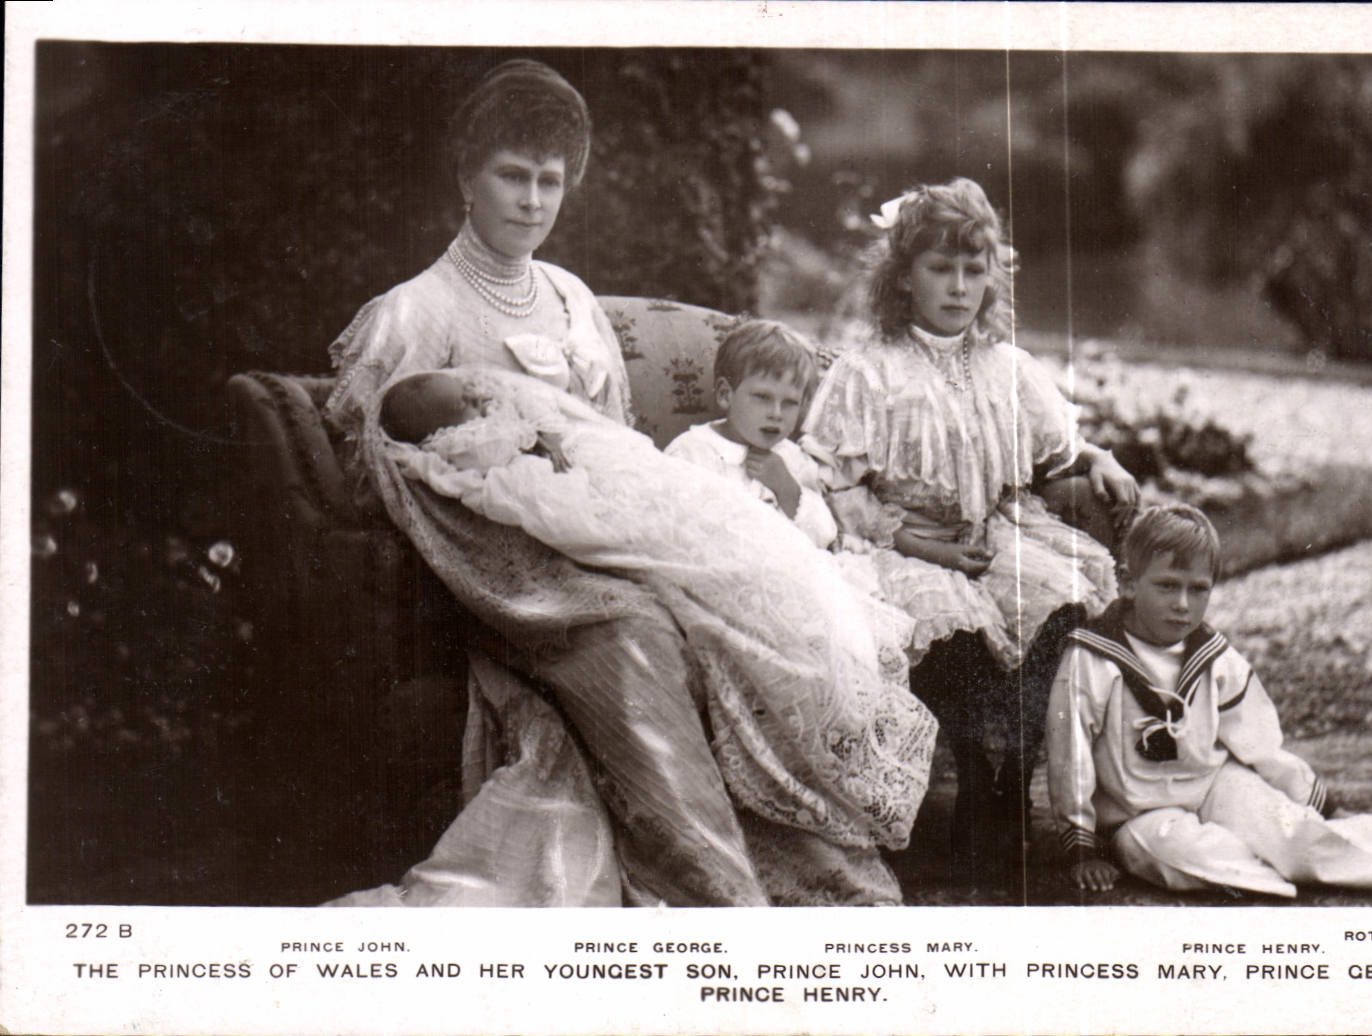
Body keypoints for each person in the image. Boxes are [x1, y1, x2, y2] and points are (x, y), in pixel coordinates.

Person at [324, 59, 909, 906]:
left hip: (601, 534)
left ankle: (807, 860)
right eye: (511, 176)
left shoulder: (570, 298)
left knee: (729, 612)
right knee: (635, 630)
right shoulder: (416, 312)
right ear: (466, 178)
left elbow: (616, 438)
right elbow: (382, 464)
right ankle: (714, 894)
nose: (531, 200)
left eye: (549, 181)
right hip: (507, 571)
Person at [376, 366, 937, 855]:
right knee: (700, 574)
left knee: (754, 560)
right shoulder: (470, 443)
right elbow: (515, 478)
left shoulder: (787, 458)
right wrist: (533, 451)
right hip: (590, 502)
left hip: (667, 497)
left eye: (789, 403)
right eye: (465, 406)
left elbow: (808, 519)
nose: (481, 405)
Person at [802, 177, 1141, 894]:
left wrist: (1099, 459)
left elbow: (1056, 453)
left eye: (972, 269)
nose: (958, 287)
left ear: (993, 275)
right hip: (902, 542)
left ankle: (1007, 784)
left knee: (1059, 594)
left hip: (994, 531)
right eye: (939, 268)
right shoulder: (870, 371)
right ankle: (968, 776)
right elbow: (835, 484)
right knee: (944, 621)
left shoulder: (1006, 368)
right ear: (903, 277)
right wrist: (919, 544)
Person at [1046, 503, 1372, 896]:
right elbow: (1070, 754)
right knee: (1187, 858)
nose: (1183, 605)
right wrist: (1082, 842)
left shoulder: (1211, 656)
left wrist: (1315, 802)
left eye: (1198, 590)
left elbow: (1258, 742)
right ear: (1128, 583)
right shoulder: (1093, 657)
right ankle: (1288, 873)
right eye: (1167, 585)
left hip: (1213, 784)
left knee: (1293, 833)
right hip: (1139, 811)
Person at [664, 320, 837, 550]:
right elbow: (673, 527)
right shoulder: (693, 452)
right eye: (762, 397)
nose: (776, 414)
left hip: (789, 568)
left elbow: (823, 537)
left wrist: (786, 488)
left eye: (790, 403)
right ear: (726, 394)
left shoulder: (793, 458)